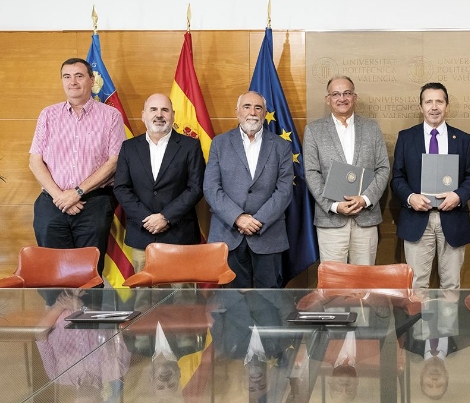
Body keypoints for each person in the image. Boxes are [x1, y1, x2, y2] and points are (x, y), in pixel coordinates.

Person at [29, 57, 127, 278]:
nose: (73, 81)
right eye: (67, 76)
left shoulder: (110, 116)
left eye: (79, 76)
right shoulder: (48, 115)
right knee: (52, 271)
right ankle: (57, 313)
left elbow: (114, 161)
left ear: (92, 81)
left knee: (88, 273)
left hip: (93, 203)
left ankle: (87, 313)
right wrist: (61, 197)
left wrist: (77, 193)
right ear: (62, 81)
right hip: (52, 204)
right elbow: (35, 161)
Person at [391, 82, 470, 289]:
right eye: (428, 101)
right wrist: (410, 197)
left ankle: (447, 324)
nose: (434, 107)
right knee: (416, 284)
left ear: (447, 106)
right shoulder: (406, 138)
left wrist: (459, 195)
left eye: (439, 101)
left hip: (452, 218)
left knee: (451, 284)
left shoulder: (464, 139)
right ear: (421, 107)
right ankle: (418, 323)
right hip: (417, 219)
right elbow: (397, 178)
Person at [203, 91, 293, 288]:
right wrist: (238, 217)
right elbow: (211, 187)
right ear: (237, 112)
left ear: (264, 113)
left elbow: (284, 190)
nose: (252, 112)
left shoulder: (281, 146)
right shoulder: (220, 143)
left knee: (269, 303)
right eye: (247, 107)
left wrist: (258, 221)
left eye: (258, 108)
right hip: (229, 234)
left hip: (267, 234)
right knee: (233, 305)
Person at [113, 93, 205, 281]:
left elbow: (196, 187)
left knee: (182, 300)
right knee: (143, 298)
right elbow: (121, 188)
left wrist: (166, 217)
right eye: (153, 109)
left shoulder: (190, 146)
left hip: (179, 234)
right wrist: (147, 218)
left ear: (173, 114)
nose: (159, 114)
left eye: (165, 110)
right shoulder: (129, 147)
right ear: (143, 115)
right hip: (142, 233)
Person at [303, 76, 390, 265]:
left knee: (364, 283)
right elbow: (311, 173)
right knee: (334, 285)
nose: (342, 98)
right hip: (331, 219)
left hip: (365, 217)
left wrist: (365, 199)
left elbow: (383, 168)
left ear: (354, 97)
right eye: (336, 94)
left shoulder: (372, 128)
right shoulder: (313, 130)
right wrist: (334, 205)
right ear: (328, 99)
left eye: (347, 93)